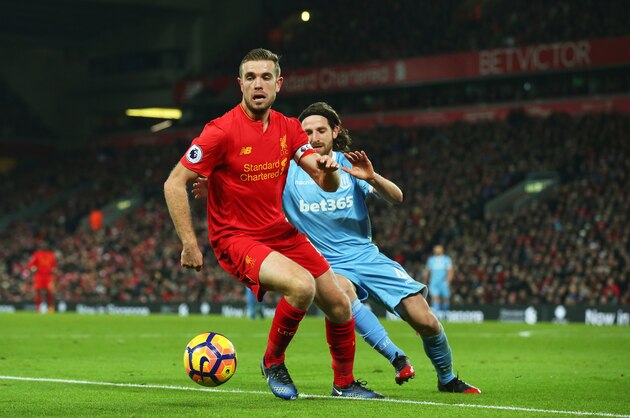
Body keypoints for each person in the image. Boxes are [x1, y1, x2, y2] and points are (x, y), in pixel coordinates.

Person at [164, 49, 382, 400]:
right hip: (235, 236)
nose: (258, 84)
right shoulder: (220, 131)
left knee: (339, 303)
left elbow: (325, 180)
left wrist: (328, 173)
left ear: (279, 84)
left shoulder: (289, 128)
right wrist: (189, 242)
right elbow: (174, 182)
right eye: (250, 77)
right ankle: (273, 362)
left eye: (266, 77)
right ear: (240, 85)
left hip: (279, 231)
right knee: (301, 286)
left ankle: (344, 384)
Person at [282, 102, 480, 394]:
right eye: (307, 131)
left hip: (366, 256)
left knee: (424, 319)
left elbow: (397, 197)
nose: (313, 137)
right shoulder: (287, 172)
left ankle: (447, 379)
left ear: (335, 131)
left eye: (321, 130)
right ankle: (396, 357)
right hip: (325, 263)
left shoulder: (348, 165)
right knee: (343, 292)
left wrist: (372, 177)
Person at [424, 245, 454, 321]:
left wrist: (448, 281)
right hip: (433, 283)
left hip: (443, 283)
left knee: (445, 299)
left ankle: (445, 315)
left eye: (438, 249)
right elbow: (427, 272)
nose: (437, 250)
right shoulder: (431, 260)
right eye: (436, 249)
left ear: (442, 250)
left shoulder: (446, 259)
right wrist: (425, 281)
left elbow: (450, 271)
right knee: (435, 298)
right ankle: (436, 317)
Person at [28, 240, 57, 313]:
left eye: (45, 245)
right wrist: (33, 268)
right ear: (40, 247)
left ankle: (50, 308)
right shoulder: (36, 254)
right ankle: (38, 308)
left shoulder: (51, 255)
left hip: (48, 276)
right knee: (38, 292)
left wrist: (54, 269)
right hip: (39, 276)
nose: (44, 247)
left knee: (49, 292)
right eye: (42, 245)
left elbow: (54, 265)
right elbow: (31, 264)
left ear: (47, 247)